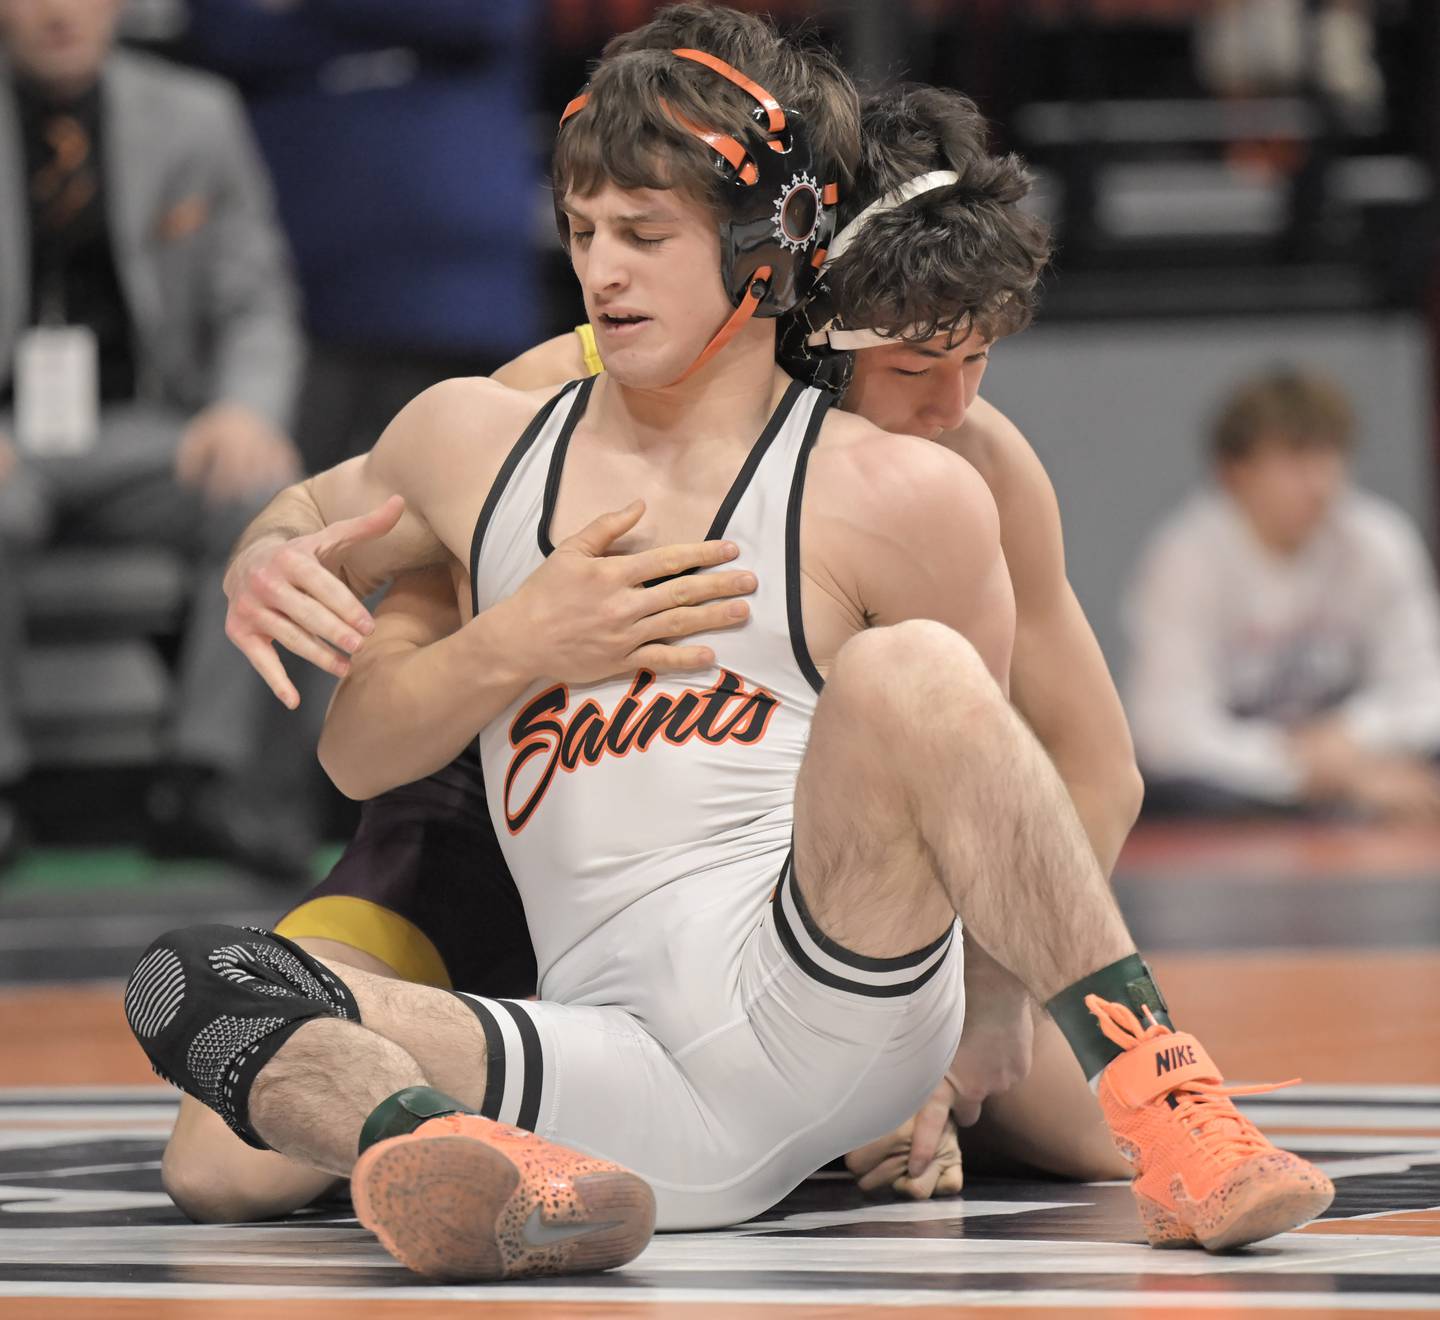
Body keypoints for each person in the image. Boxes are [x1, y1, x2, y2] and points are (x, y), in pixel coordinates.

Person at [127, 6, 1331, 1282]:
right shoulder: (491, 429)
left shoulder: (924, 482)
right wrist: (500, 630)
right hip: (600, 1045)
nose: (605, 269)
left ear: (769, 253)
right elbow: (344, 675)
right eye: (586, 235)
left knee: (916, 684)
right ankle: (476, 1166)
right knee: (186, 982)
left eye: (643, 237)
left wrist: (979, 1029)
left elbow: (1024, 774)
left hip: (826, 974)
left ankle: (1176, 1112)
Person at [0, 0, 311, 877]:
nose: (59, 11)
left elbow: (256, 299)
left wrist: (244, 410)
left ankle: (207, 781)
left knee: (273, 503)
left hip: (150, 433)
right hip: (8, 442)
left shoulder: (194, 113)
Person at [187, 0, 543, 475]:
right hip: (298, 300)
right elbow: (226, 34)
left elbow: (481, 14)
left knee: (466, 513)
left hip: (456, 296)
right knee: (298, 517)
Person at [1127, 365, 1440, 820]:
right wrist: (1300, 770)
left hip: (1365, 759)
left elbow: (1425, 690)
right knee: (1182, 795)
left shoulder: (1378, 542)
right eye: (1294, 459)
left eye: (1330, 456)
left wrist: (1353, 737)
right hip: (1246, 789)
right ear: (1234, 472)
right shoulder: (1186, 557)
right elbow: (1165, 729)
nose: (1319, 481)